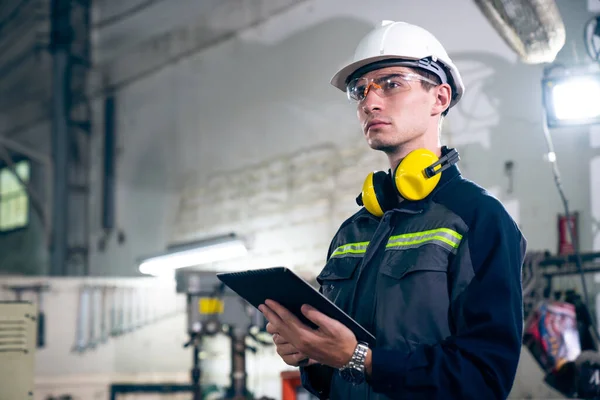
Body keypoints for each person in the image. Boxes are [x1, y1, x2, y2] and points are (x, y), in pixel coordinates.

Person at [258, 20, 526, 399]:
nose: (369, 102)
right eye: (360, 90)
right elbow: (332, 374)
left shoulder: (480, 219)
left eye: (392, 84)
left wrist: (359, 359)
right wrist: (312, 357)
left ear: (440, 98)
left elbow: (485, 379)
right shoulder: (355, 229)